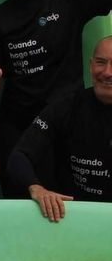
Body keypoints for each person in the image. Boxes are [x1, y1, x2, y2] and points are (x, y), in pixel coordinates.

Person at [0, 0, 112, 198]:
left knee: (67, 203)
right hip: (18, 126)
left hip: (65, 123)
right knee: (22, 203)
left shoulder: (67, 0)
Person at [9, 36, 112, 222]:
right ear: (90, 65)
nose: (107, 72)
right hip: (74, 219)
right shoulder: (68, 106)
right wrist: (36, 188)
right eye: (100, 62)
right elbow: (19, 156)